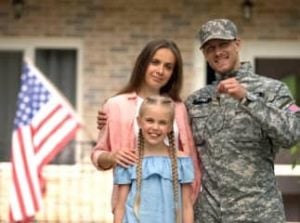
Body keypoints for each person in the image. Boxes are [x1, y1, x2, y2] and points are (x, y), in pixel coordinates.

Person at [185, 18, 300, 223]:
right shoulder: (195, 101)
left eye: (223, 44)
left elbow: (292, 133)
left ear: (237, 44)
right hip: (210, 215)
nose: (217, 52)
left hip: (259, 213)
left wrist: (247, 98)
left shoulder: (275, 90)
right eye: (210, 48)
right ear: (204, 54)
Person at [91, 39, 201, 213]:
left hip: (173, 208)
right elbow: (97, 154)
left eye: (168, 66)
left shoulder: (179, 108)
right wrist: (113, 157)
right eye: (155, 62)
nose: (160, 71)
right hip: (131, 207)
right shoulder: (115, 105)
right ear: (143, 63)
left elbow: (188, 159)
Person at [113, 95, 194, 223]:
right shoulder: (129, 160)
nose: (155, 127)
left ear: (170, 127)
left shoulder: (182, 161)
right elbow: (120, 207)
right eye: (150, 120)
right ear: (139, 122)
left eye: (162, 122)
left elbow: (187, 207)